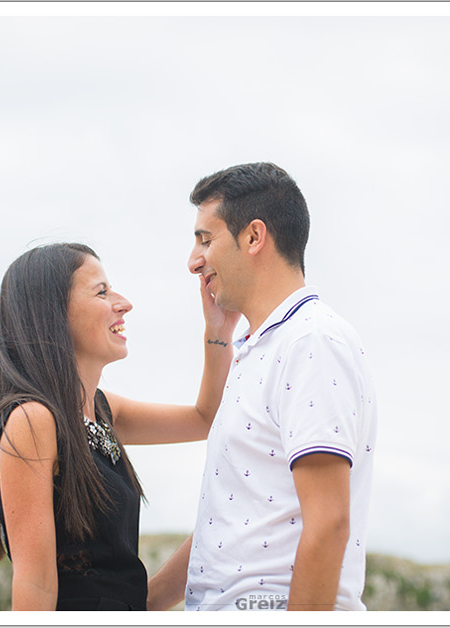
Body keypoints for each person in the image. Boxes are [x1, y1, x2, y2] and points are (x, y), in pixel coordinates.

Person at [147, 163, 378, 611]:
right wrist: (142, 604)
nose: (194, 261)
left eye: (205, 239)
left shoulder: (311, 342)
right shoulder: (262, 348)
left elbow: (328, 522)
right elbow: (236, 521)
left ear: (254, 237)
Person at [0, 242, 239, 610]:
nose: (123, 303)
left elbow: (207, 418)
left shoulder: (104, 410)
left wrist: (218, 328)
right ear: (52, 313)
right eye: (102, 291)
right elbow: (36, 584)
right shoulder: (33, 420)